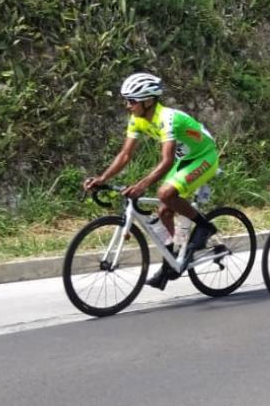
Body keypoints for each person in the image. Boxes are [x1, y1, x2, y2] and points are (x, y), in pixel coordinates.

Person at [84, 72, 222, 290]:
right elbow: (125, 155)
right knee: (164, 211)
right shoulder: (137, 119)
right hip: (184, 158)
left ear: (148, 101)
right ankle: (173, 256)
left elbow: (166, 161)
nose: (127, 106)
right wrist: (102, 178)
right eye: (126, 100)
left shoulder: (167, 118)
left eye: (132, 101)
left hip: (204, 156)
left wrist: (141, 185)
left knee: (164, 193)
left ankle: (205, 228)